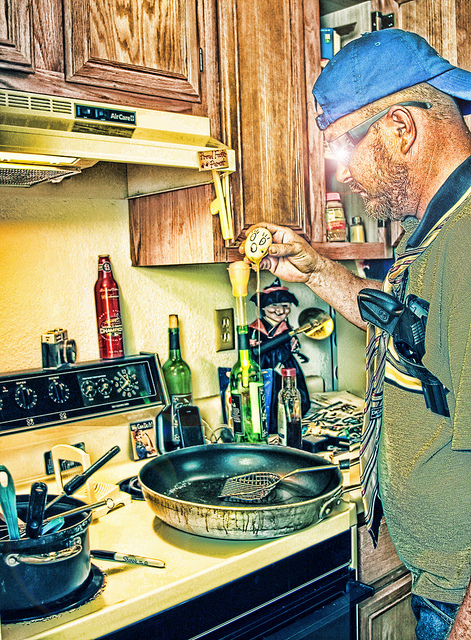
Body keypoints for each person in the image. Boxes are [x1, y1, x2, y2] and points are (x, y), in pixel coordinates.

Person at [241, 29, 471, 640]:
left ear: (401, 127)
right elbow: (403, 324)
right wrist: (316, 270)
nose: (343, 175)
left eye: (346, 146)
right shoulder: (437, 226)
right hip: (438, 584)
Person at [248, 278, 310, 432]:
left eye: (285, 306)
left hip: (285, 365)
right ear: (263, 307)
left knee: (294, 396)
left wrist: (293, 345)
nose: (280, 311)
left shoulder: (287, 328)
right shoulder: (254, 329)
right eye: (274, 305)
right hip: (263, 365)